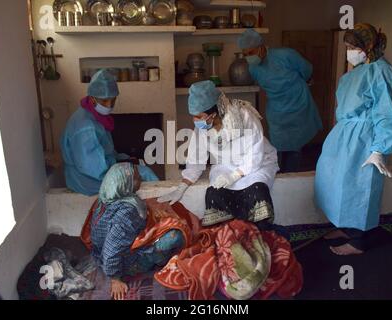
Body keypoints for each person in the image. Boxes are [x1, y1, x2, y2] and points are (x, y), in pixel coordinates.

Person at [315, 23, 392, 256]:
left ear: (368, 47)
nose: (349, 51)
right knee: (338, 184)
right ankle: (346, 228)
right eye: (347, 47)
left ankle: (359, 242)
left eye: (352, 47)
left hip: (364, 140)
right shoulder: (355, 73)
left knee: (359, 188)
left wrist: (378, 149)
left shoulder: (381, 71)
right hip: (344, 136)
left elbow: (388, 113)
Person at [158, 80, 280, 231]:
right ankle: (226, 239)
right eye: (194, 116)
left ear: (213, 114)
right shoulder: (202, 129)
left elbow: (255, 153)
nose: (195, 121)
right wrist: (182, 186)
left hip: (257, 165)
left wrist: (235, 176)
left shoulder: (243, 116)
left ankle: (257, 235)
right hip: (225, 167)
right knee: (214, 194)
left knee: (257, 191)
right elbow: (196, 160)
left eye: (198, 116)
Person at [90, 163, 184, 300]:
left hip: (102, 254)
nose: (140, 180)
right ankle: (156, 261)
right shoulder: (127, 212)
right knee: (176, 236)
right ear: (125, 183)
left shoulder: (104, 201)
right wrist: (115, 278)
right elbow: (112, 249)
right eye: (137, 178)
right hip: (126, 263)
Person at [60, 69, 158, 196]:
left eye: (113, 100)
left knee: (138, 170)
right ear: (92, 98)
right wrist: (127, 171)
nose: (109, 105)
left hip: (95, 172)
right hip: (88, 182)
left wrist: (123, 160)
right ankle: (162, 210)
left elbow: (105, 151)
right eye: (104, 101)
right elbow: (96, 169)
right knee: (145, 173)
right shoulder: (85, 127)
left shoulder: (95, 116)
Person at [238, 29, 323, 173]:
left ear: (261, 47)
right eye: (245, 54)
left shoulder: (286, 55)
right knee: (276, 147)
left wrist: (306, 81)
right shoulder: (253, 68)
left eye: (251, 52)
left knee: (296, 146)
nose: (248, 57)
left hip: (298, 104)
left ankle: (292, 176)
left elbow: (307, 69)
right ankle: (279, 176)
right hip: (277, 111)